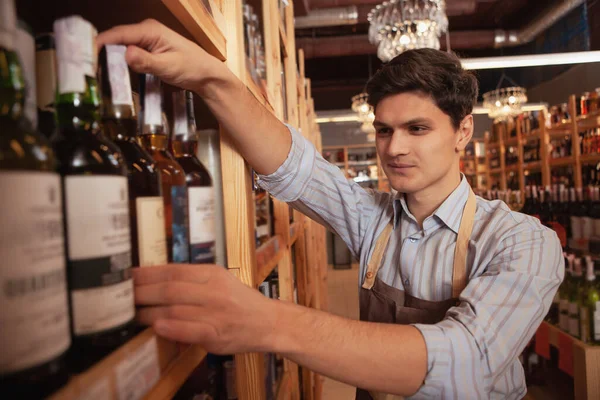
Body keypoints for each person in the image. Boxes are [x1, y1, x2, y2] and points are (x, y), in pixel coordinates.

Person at [98, 19, 564, 399]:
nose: (394, 148)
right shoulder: (374, 219)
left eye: (417, 129)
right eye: (384, 130)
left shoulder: (521, 240)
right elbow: (292, 165)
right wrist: (212, 77)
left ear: (463, 131)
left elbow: (468, 359)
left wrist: (266, 320)